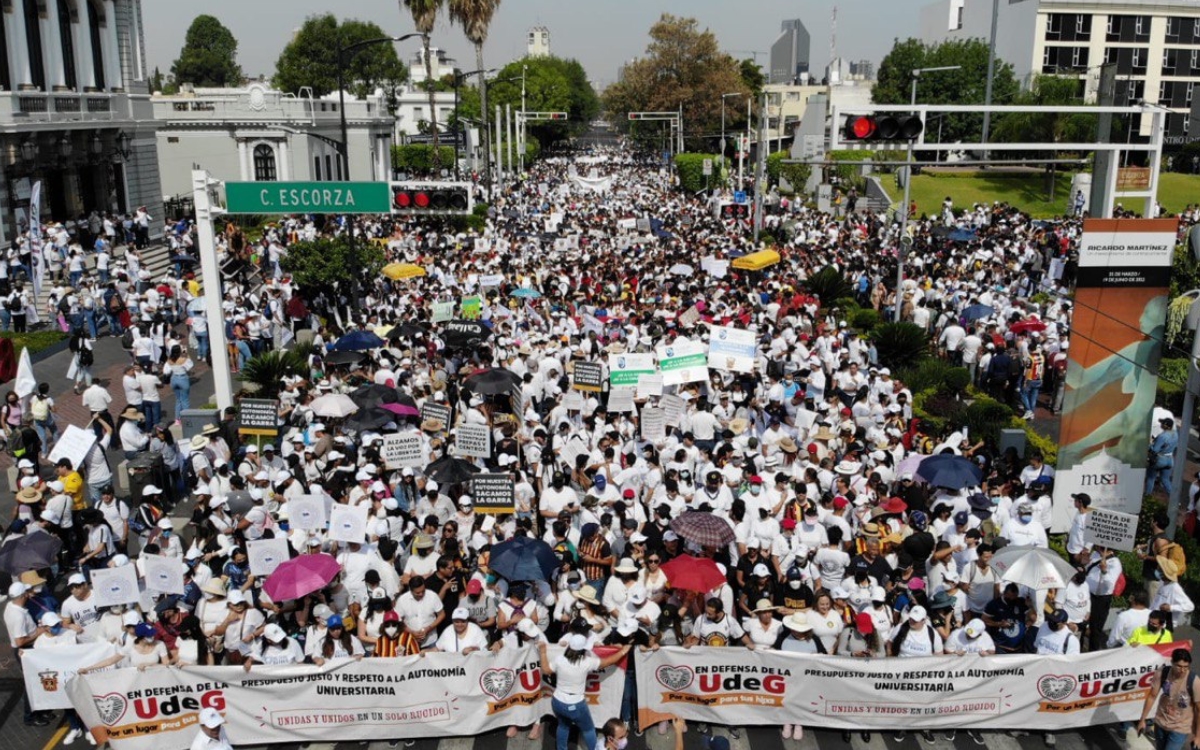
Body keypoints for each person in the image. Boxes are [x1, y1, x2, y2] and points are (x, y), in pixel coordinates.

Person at [538, 636, 630, 750]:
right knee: (588, 729)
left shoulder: (560, 659)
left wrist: (542, 652)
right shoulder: (586, 662)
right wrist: (623, 651)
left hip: (557, 701)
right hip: (576, 705)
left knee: (563, 726)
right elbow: (608, 662)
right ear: (583, 649)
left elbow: (546, 670)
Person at [1137, 648, 1200, 750]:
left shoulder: (1195, 682)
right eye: (1179, 666)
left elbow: (1199, 710)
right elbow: (1152, 696)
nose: (1182, 670)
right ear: (1172, 662)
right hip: (1160, 723)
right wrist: (1142, 720)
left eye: (1186, 667)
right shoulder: (1162, 673)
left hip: (1180, 728)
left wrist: (1198, 736)